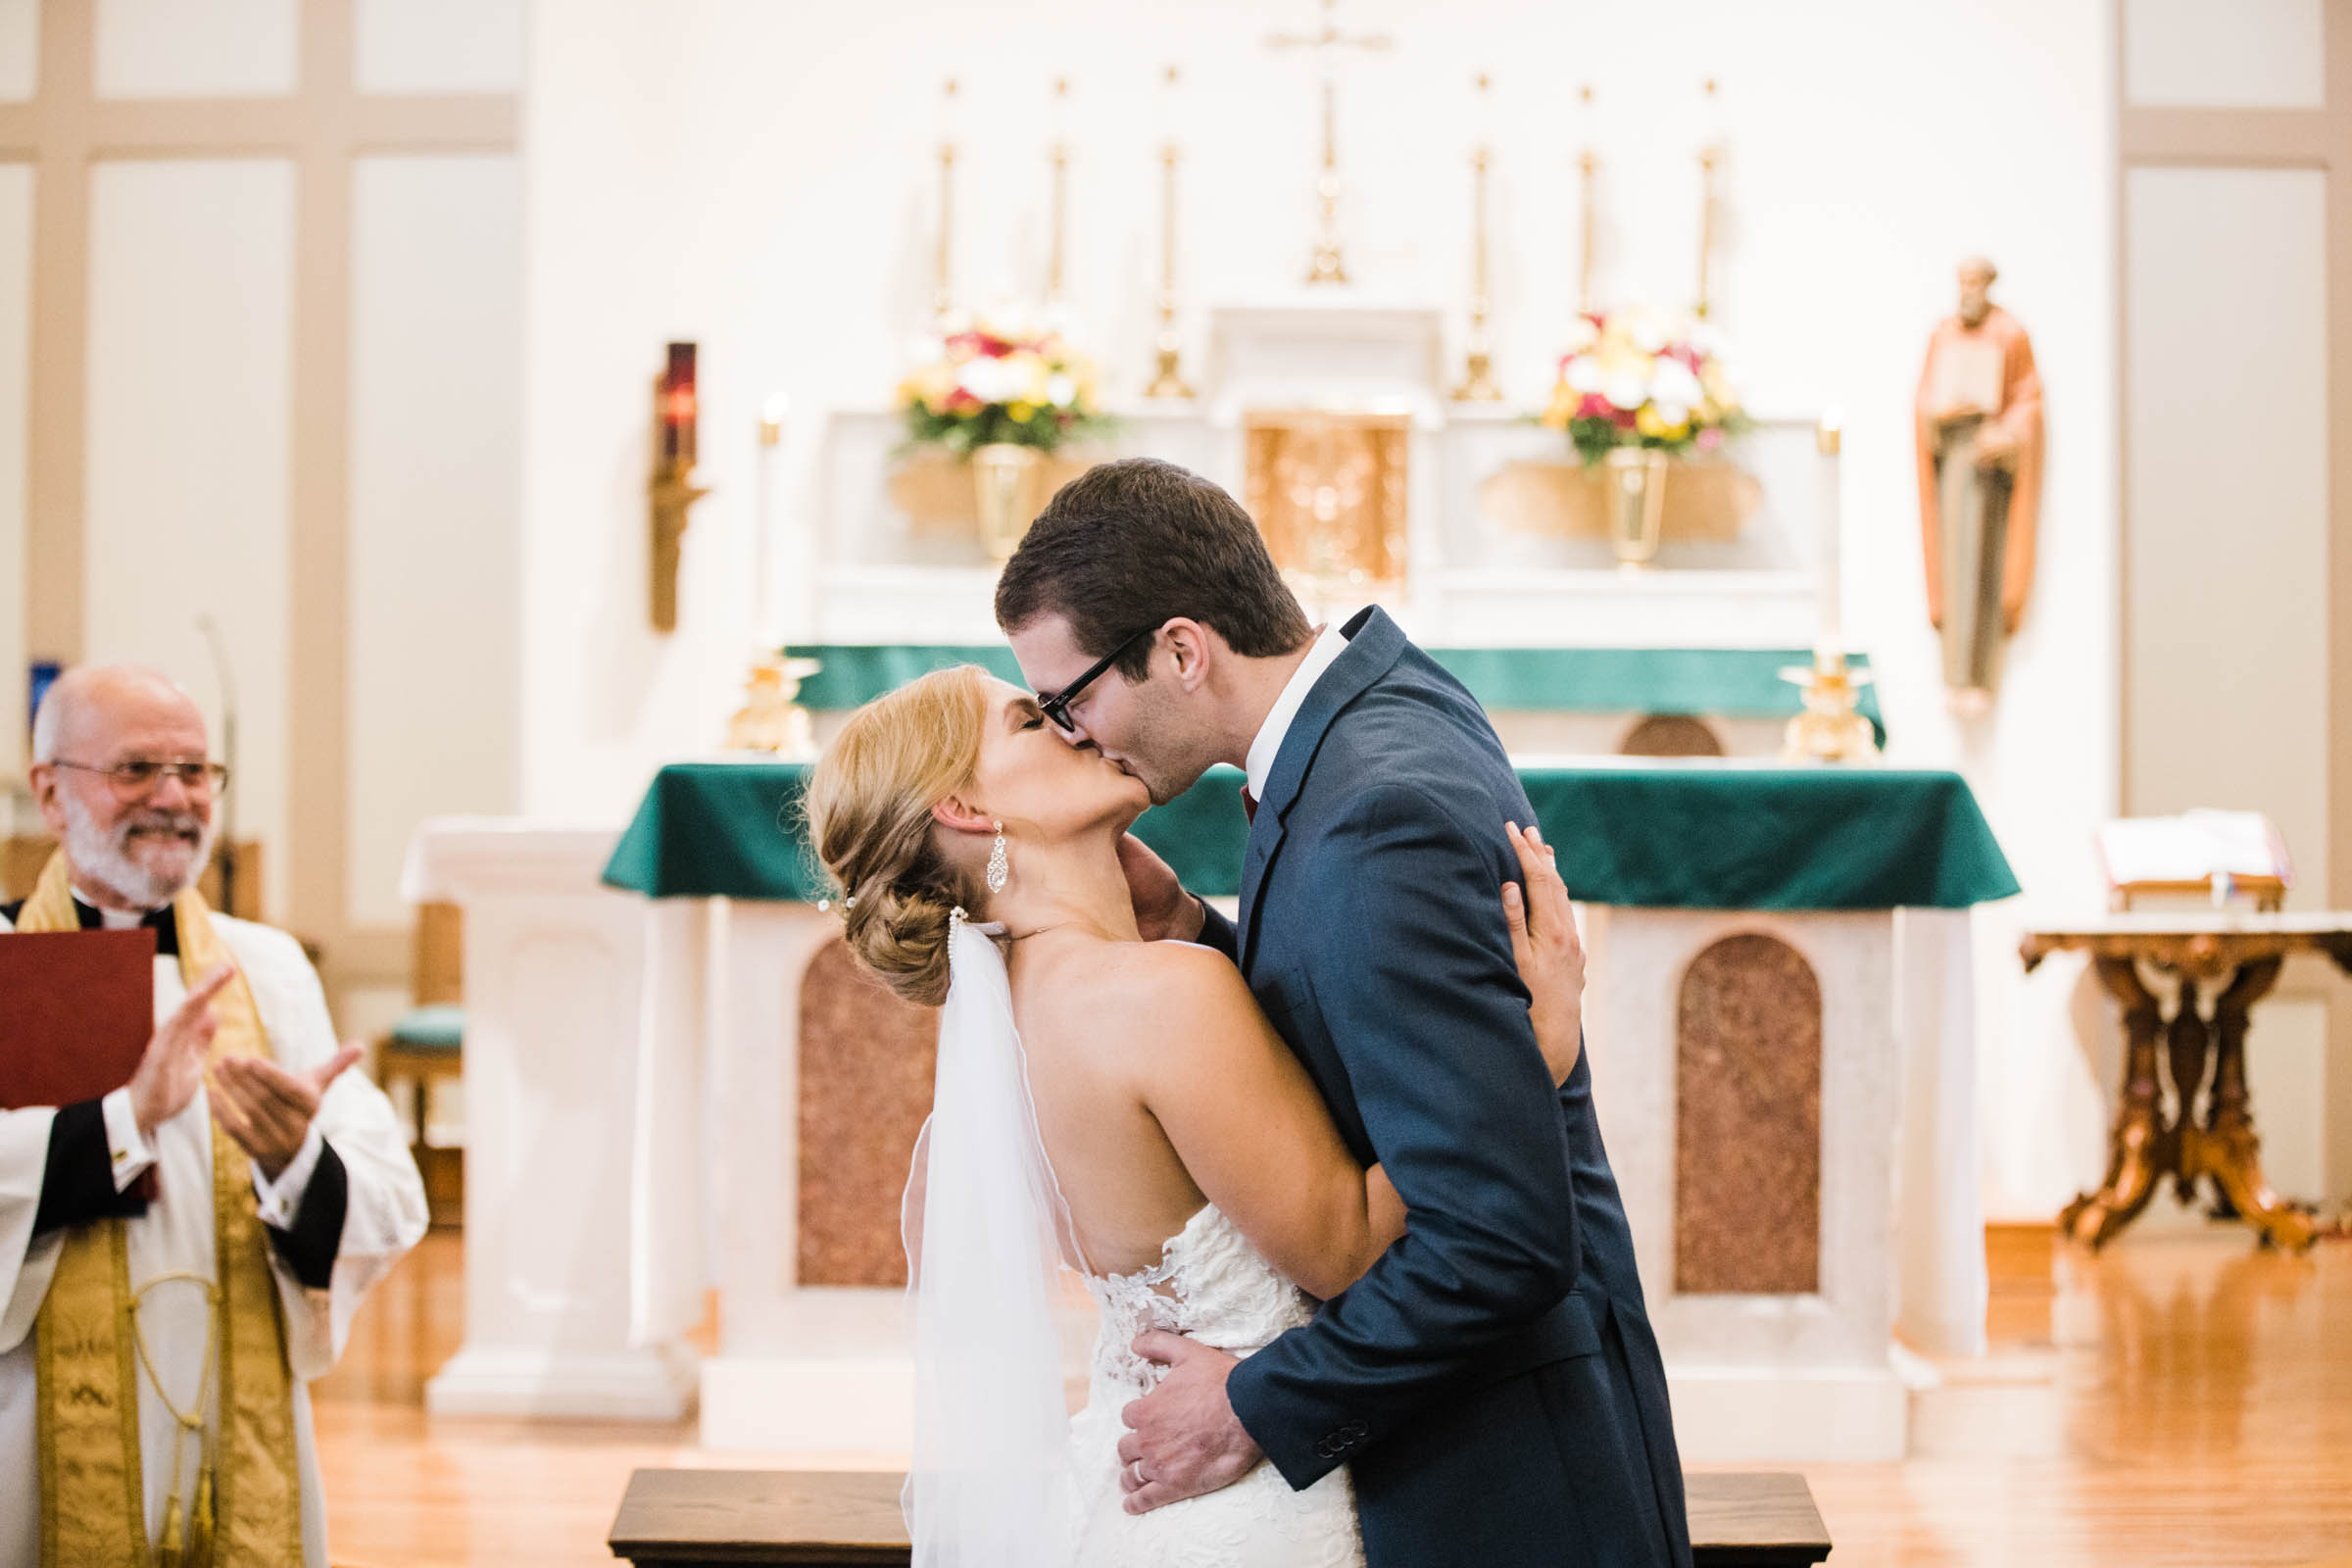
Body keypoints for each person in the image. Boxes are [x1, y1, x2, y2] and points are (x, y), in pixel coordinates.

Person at [995, 458, 1690, 1567]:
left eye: (1071, 701)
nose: (1075, 737)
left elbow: (1498, 1237)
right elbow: (1366, 1020)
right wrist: (1203, 931)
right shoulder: (1374, 707)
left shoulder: (1380, 812)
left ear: (1180, 649)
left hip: (1503, 1472)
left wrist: (1253, 1406)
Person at [806, 662, 1584, 1565]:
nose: (1076, 726)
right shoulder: (1159, 996)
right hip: (1244, 1500)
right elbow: (1346, 1248)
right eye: (1031, 721)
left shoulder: (1010, 1032)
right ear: (968, 810)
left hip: (1121, 1491)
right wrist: (1530, 1054)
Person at [0, 665, 427, 1567]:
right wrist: (122, 1123)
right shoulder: (7, 962)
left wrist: (297, 1163)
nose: (173, 798)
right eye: (137, 769)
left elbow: (390, 1192)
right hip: (33, 1412)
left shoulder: (263, 969)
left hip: (239, 1407)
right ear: (49, 790)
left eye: (195, 771)